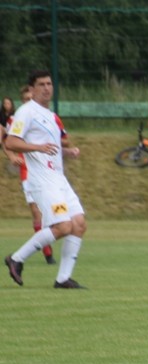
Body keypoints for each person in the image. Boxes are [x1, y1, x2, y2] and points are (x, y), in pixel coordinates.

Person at [4, 70, 87, 289]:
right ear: (31, 89)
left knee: (79, 224)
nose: (47, 88)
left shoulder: (50, 115)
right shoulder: (26, 112)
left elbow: (52, 146)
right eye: (41, 84)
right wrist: (37, 147)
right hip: (42, 180)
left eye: (49, 83)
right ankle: (17, 258)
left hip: (58, 179)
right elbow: (11, 142)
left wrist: (65, 152)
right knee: (63, 226)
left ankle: (62, 279)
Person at [2, 85, 55, 265]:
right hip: (28, 173)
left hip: (48, 172)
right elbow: (6, 141)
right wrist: (11, 156)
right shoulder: (16, 120)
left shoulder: (46, 118)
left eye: (30, 99)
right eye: (25, 100)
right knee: (37, 212)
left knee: (58, 216)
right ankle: (48, 254)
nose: (28, 103)